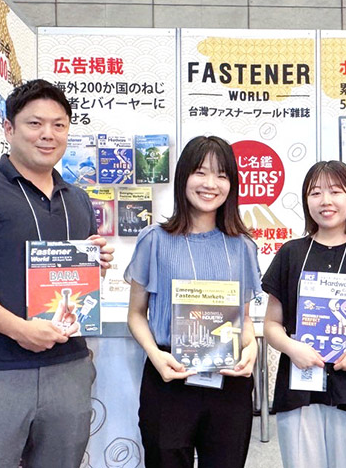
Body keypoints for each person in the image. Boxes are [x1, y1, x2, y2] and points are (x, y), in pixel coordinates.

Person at [0, 79, 114, 468]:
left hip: (68, 368)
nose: (48, 134)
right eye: (35, 123)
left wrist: (93, 263)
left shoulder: (78, 199)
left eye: (59, 125)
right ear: (9, 128)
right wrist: (18, 329)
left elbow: (72, 284)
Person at [125, 135, 261, 468]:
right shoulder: (154, 240)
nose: (210, 184)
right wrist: (155, 355)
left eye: (221, 175)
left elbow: (243, 320)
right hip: (170, 375)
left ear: (232, 184)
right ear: (183, 177)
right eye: (200, 172)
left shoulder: (242, 246)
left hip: (228, 380)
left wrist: (252, 348)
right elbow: (136, 314)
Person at [262, 160, 346, 468]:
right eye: (316, 193)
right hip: (300, 386)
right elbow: (271, 324)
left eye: (336, 191)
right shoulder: (291, 253)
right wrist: (291, 347)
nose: (326, 201)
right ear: (306, 200)